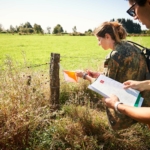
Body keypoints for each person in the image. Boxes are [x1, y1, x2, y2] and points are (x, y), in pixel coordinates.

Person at [76, 21, 150, 130]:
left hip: (131, 105)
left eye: (99, 39)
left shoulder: (115, 55)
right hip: (144, 100)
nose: (98, 43)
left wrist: (85, 76)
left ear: (107, 36)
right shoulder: (130, 46)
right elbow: (122, 73)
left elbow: (105, 86)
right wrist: (99, 75)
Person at [101, 0, 150, 128]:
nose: (134, 16)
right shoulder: (130, 46)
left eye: (133, 9)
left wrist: (118, 106)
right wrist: (144, 84)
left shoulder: (115, 54)